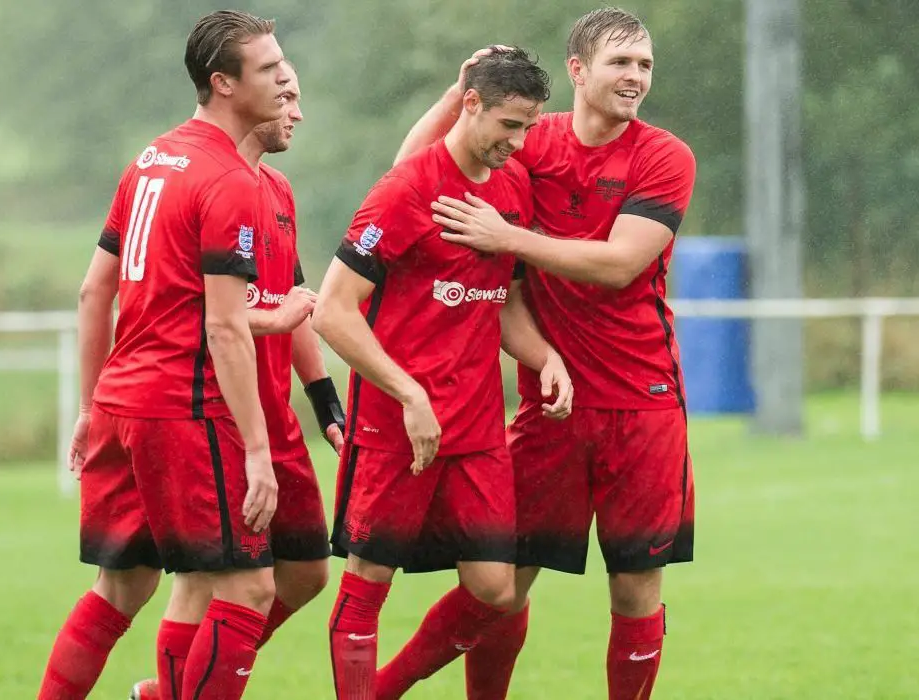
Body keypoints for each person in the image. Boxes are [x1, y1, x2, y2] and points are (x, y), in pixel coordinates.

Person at [393, 8, 697, 700]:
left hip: (642, 404)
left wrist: (508, 238)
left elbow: (620, 264)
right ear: (578, 71)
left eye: (645, 65)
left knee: (634, 590)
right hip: (549, 411)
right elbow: (414, 172)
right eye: (622, 63)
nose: (636, 77)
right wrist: (457, 89)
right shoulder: (530, 142)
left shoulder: (663, 155)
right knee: (499, 586)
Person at [37, 11, 291, 700]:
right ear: (224, 84)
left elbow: (95, 291)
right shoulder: (230, 179)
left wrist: (91, 407)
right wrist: (259, 453)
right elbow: (227, 329)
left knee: (122, 586)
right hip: (184, 410)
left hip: (123, 401)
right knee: (248, 585)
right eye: (268, 69)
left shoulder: (151, 159)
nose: (284, 77)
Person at [312, 48, 573, 700]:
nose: (517, 143)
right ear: (471, 103)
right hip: (397, 424)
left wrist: (547, 358)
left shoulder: (512, 191)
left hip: (478, 426)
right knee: (368, 582)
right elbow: (332, 313)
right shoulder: (405, 191)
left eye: (529, 129)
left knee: (495, 589)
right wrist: (408, 392)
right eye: (509, 125)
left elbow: (505, 306)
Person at [129, 63, 347, 700]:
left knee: (305, 572)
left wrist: (323, 398)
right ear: (239, 93)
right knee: (220, 582)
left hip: (275, 412)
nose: (297, 114)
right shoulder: (211, 182)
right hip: (212, 411)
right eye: (286, 98)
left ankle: (186, 686)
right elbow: (212, 317)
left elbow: (292, 301)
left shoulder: (276, 190)